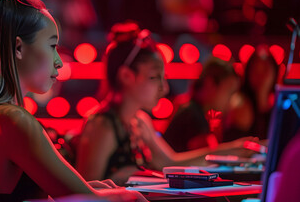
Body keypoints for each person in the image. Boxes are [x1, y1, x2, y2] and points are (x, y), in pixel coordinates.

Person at [0, 0, 146, 202]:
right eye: (52, 46)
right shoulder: (14, 120)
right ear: (18, 48)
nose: (58, 60)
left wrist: (95, 190)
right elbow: (88, 200)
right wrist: (129, 195)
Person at [76, 21, 253, 185]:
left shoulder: (140, 121)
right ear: (126, 76)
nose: (165, 88)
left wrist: (235, 149)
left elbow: (170, 162)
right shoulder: (103, 125)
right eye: (155, 77)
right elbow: (83, 192)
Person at [164, 57, 240, 152]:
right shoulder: (192, 116)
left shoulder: (193, 111)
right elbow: (204, 158)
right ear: (210, 83)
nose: (231, 100)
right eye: (229, 91)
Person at [223, 45, 278, 142]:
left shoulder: (280, 105)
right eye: (255, 70)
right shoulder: (241, 104)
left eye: (265, 69)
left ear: (274, 72)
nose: (260, 76)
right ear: (248, 73)